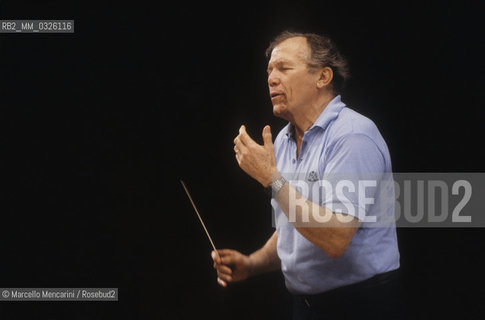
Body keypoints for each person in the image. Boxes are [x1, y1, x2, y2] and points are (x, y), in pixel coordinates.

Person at [212, 31, 405, 319]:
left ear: (323, 77)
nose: (271, 79)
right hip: (305, 307)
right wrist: (251, 264)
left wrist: (270, 179)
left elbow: (335, 239)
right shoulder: (282, 141)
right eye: (269, 71)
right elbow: (293, 231)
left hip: (359, 305)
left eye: (284, 68)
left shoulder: (352, 136)